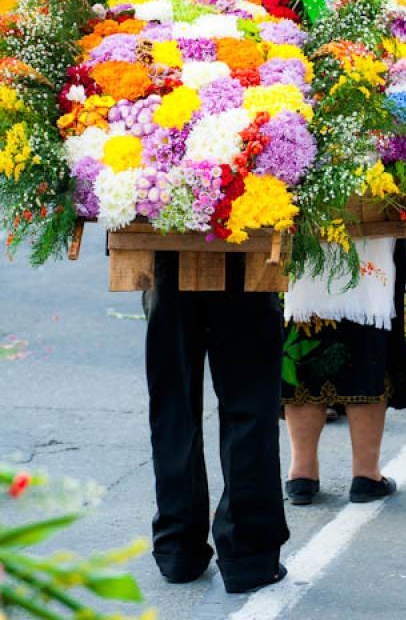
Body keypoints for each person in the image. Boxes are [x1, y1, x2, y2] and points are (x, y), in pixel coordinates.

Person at [281, 237, 406, 506]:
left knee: (303, 355)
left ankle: (302, 476)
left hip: (310, 244)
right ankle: (366, 475)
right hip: (368, 245)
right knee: (366, 348)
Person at [143, 251, 289, 593]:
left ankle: (178, 547)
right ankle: (247, 554)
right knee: (248, 405)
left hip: (169, 245)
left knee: (173, 408)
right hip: (243, 248)